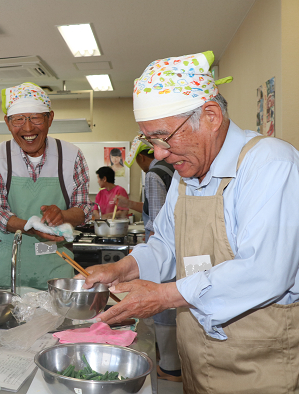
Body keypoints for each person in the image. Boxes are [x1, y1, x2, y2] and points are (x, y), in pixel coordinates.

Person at [83, 51, 299, 393]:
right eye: (149, 141)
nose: (159, 154)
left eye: (163, 137)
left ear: (210, 116)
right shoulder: (187, 176)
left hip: (259, 365)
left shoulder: (269, 163)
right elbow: (166, 244)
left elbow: (266, 270)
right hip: (195, 357)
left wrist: (164, 296)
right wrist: (122, 269)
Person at [0, 82, 93, 290]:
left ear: (50, 118)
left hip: (55, 262)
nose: (27, 128)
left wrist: (63, 215)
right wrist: (30, 225)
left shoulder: (71, 156)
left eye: (35, 117)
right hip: (9, 261)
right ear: (7, 122)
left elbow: (84, 209)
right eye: (18, 119)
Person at [118, 136, 180, 382]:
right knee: (173, 305)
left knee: (163, 307)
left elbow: (157, 223)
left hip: (163, 250)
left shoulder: (154, 173)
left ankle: (170, 366)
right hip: (176, 250)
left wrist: (143, 257)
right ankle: (173, 362)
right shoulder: (171, 170)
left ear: (144, 156)